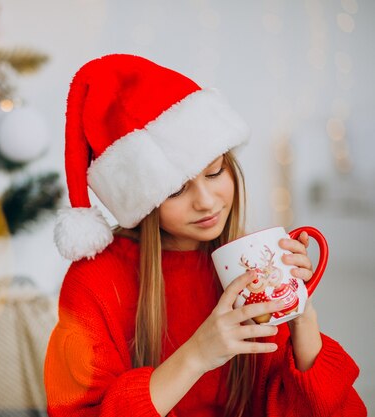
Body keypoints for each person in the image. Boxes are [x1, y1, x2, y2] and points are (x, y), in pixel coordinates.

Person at [44, 54, 366, 417]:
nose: (207, 201)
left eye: (215, 173)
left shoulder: (246, 262)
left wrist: (301, 316)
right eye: (176, 191)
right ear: (144, 200)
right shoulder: (95, 282)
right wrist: (197, 355)